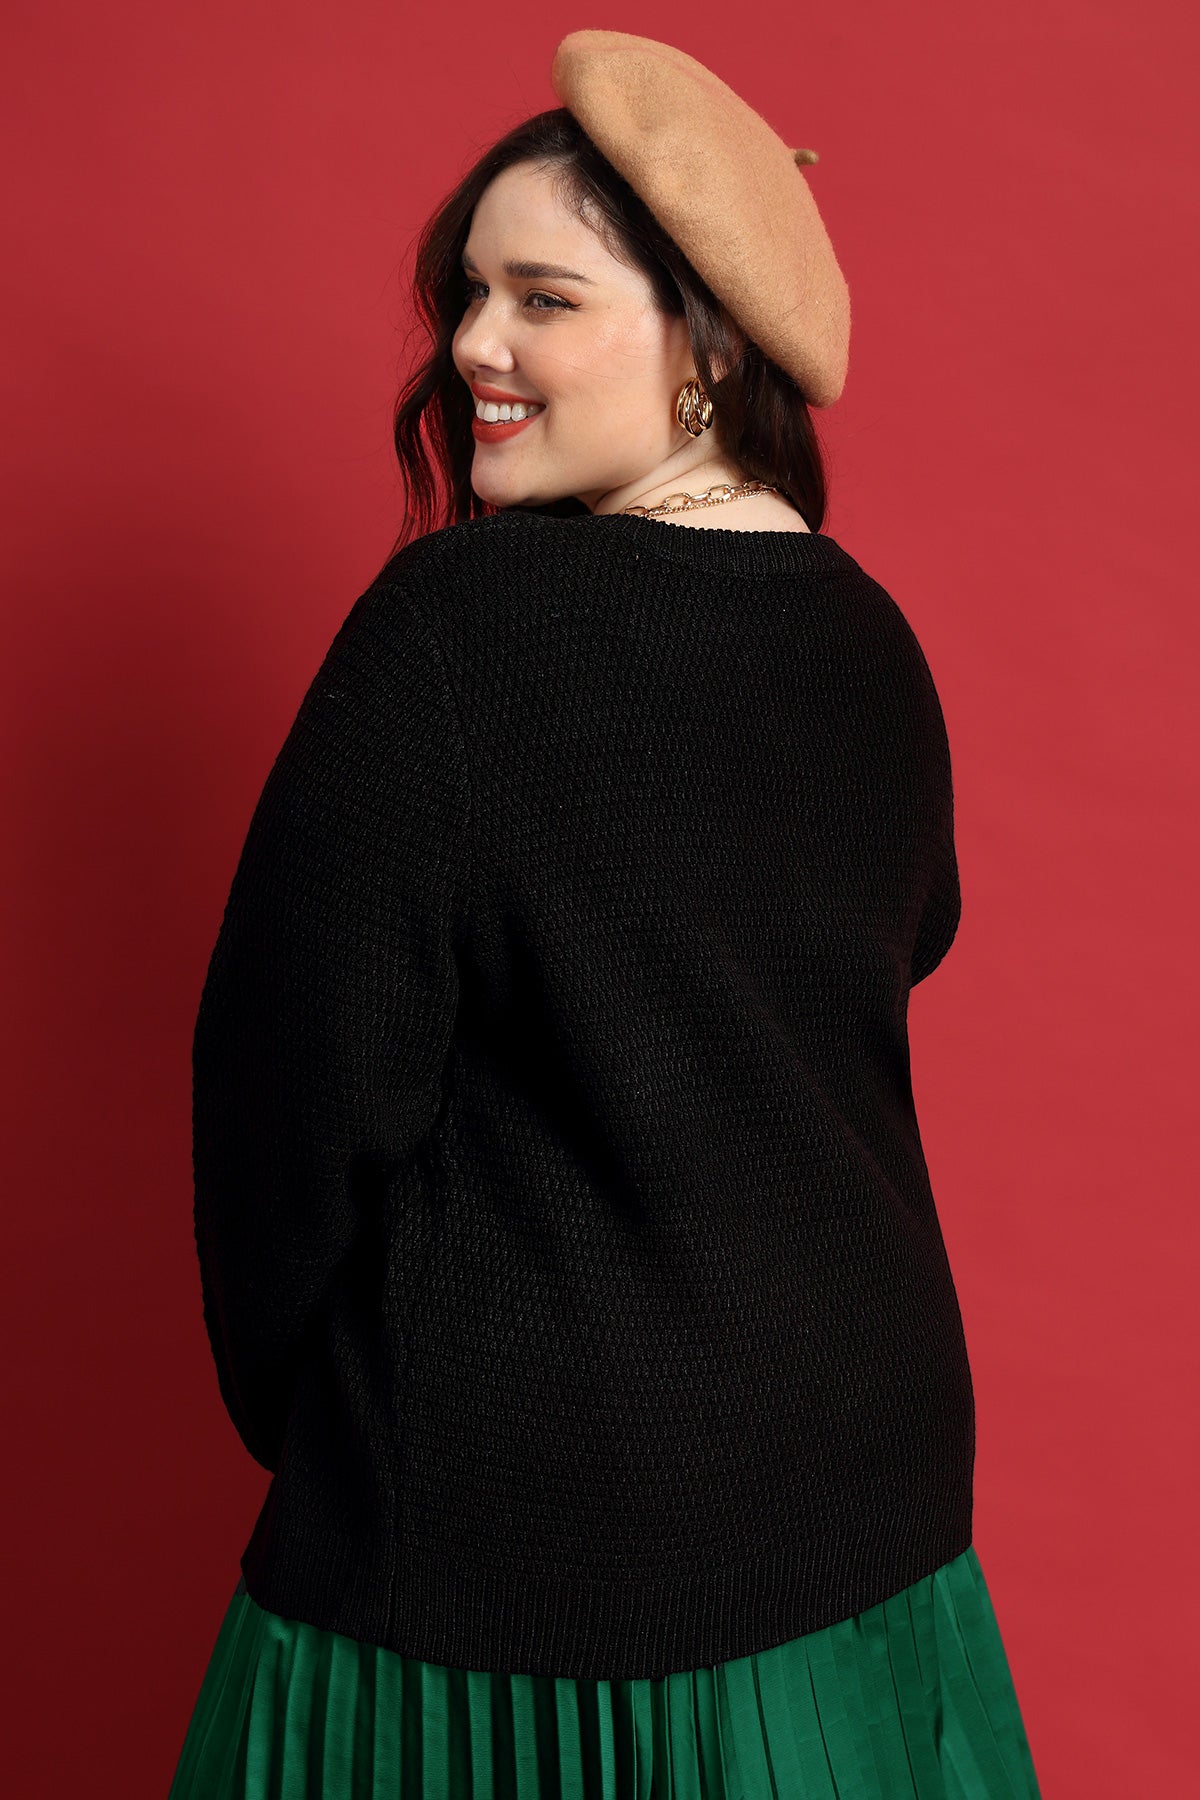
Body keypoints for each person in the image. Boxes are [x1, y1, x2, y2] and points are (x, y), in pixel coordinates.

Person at [169, 30, 1044, 1799]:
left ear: (706, 343)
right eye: (469, 295)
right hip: (866, 1514)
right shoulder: (868, 639)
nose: (473, 347)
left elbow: (286, 1098)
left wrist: (328, 1425)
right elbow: (907, 939)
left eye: (543, 300)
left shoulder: (455, 636)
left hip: (513, 1566)